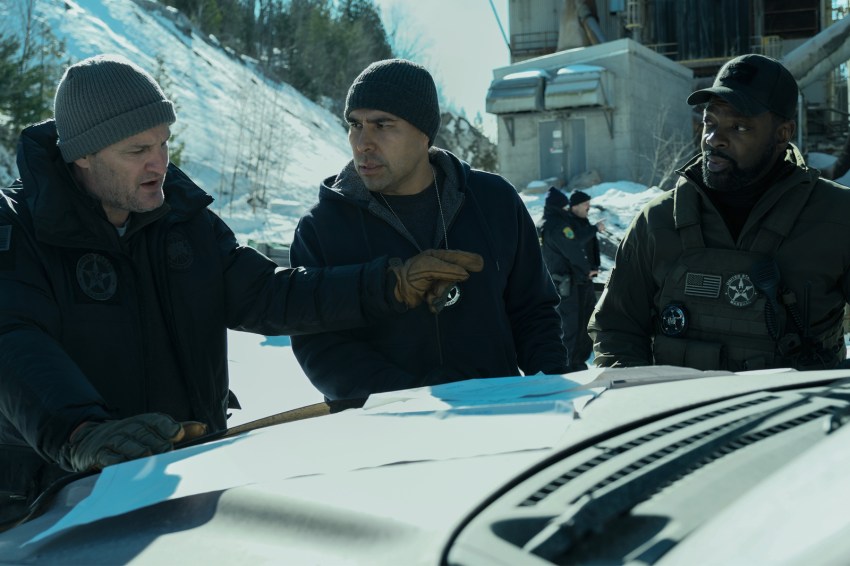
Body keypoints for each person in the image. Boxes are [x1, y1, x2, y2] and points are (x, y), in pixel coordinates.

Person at [0, 54, 484, 524]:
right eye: (137, 151)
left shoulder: (181, 220)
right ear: (83, 153)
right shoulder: (18, 231)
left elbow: (268, 294)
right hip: (54, 504)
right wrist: (80, 431)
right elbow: (13, 343)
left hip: (181, 485)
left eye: (164, 143)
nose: (159, 164)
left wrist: (388, 284)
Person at [290, 58, 569, 401]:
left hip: (500, 415)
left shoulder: (493, 200)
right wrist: (416, 400)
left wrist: (551, 384)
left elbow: (533, 310)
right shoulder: (321, 227)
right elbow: (322, 347)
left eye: (382, 125)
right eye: (355, 124)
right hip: (384, 424)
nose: (363, 142)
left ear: (424, 133)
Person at [588, 53, 850, 371]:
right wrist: (636, 391)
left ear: (783, 133)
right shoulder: (657, 220)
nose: (714, 139)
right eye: (709, 123)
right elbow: (617, 329)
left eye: (738, 127)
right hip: (678, 404)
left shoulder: (838, 217)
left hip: (805, 405)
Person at [537, 187, 605, 370]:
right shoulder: (560, 225)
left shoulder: (542, 224)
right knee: (576, 326)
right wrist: (586, 272)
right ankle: (572, 365)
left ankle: (569, 364)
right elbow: (574, 251)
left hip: (555, 282)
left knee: (566, 326)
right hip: (571, 283)